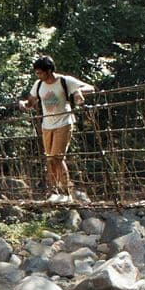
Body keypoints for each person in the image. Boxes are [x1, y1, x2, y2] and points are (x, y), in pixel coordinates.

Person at [17, 55, 93, 202]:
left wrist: (78, 92)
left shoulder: (64, 81)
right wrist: (23, 104)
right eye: (36, 73)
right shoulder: (39, 84)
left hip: (64, 123)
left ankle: (66, 193)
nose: (38, 75)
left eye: (40, 72)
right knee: (50, 159)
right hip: (47, 125)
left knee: (57, 157)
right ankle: (54, 191)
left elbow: (89, 87)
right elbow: (31, 102)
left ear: (49, 70)